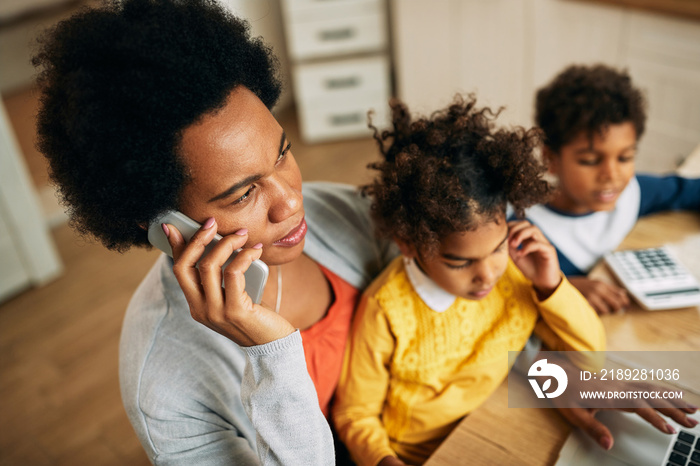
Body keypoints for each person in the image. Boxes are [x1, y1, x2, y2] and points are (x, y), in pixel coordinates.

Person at [31, 0, 697, 463]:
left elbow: (465, 316)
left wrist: (569, 385)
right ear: (158, 220)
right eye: (241, 192)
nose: (291, 202)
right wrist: (268, 354)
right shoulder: (166, 386)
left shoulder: (338, 214)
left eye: (283, 151)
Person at [331, 95, 607, 465]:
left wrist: (551, 285)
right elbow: (355, 414)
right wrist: (383, 460)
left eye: (496, 249)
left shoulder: (515, 271)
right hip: (420, 455)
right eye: (460, 262)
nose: (488, 274)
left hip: (496, 422)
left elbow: (590, 357)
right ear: (409, 244)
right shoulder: (386, 309)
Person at [528, 64, 700, 315]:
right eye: (590, 161)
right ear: (550, 159)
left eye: (625, 158)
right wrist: (562, 289)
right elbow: (502, 295)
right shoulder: (524, 230)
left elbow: (689, 190)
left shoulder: (633, 193)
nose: (612, 175)